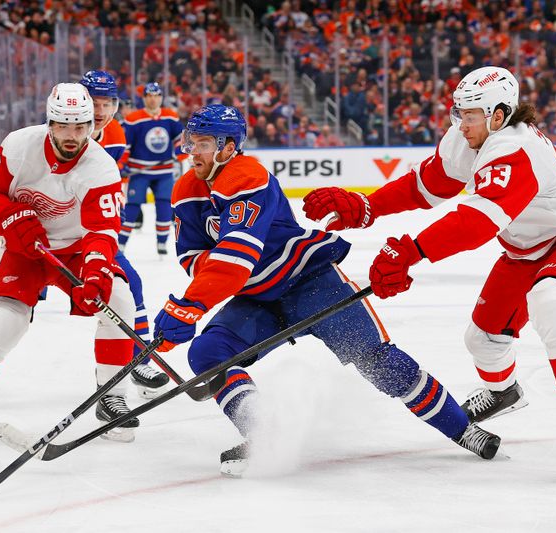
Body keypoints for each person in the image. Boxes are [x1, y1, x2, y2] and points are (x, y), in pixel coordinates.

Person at [152, 104, 501, 478]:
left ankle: (463, 429)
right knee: (209, 352)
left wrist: (190, 305)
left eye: (203, 143)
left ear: (228, 146)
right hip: (259, 298)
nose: (192, 150)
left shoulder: (246, 176)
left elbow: (236, 257)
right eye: (191, 141)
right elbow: (192, 257)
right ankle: (264, 432)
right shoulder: (185, 190)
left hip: (312, 283)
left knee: (384, 365)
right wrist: (198, 296)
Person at [303, 67, 556, 478]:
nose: (460, 122)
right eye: (459, 112)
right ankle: (504, 392)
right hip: (524, 250)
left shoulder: (514, 148)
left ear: (499, 115)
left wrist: (412, 252)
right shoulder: (470, 136)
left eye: (470, 114)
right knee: (483, 340)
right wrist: (368, 207)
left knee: (551, 300)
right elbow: (426, 185)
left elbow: (477, 222)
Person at [0, 83, 141, 444]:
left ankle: (112, 397)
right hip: (23, 250)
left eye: (81, 127)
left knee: (118, 300)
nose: (72, 136)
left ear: (90, 125)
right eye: (63, 126)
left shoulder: (101, 167)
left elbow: (102, 232)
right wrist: (11, 217)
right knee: (6, 322)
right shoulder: (19, 145)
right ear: (50, 123)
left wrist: (97, 272)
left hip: (74, 250)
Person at [79, 70, 168, 398]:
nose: (100, 111)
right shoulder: (58, 129)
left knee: (131, 283)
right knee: (13, 309)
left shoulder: (114, 136)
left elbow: (101, 192)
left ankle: (138, 357)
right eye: (94, 102)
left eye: (107, 103)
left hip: (88, 235)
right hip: (49, 233)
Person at [121, 82, 183, 255]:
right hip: (139, 171)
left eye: (156, 95)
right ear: (144, 98)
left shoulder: (170, 117)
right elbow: (125, 146)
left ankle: (162, 242)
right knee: (132, 208)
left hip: (164, 171)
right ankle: (120, 243)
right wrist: (121, 165)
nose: (153, 99)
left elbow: (181, 138)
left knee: (164, 206)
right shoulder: (134, 119)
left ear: (161, 97)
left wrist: (179, 153)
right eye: (149, 96)